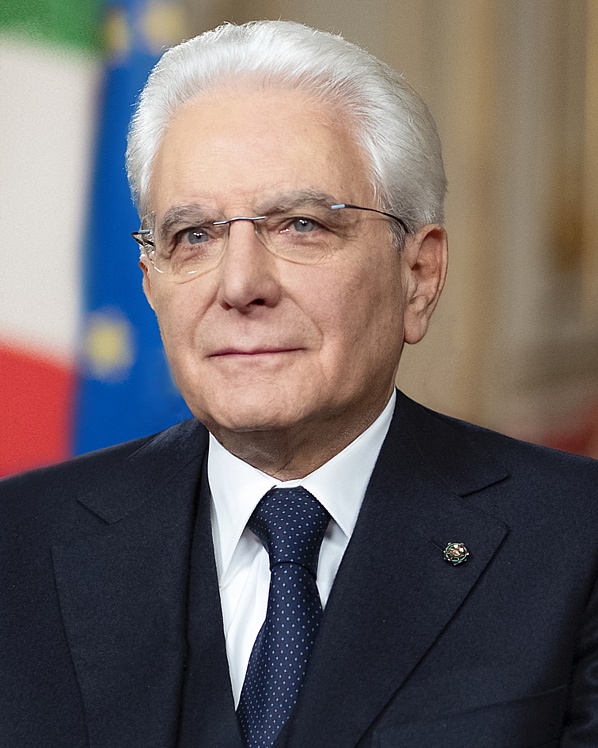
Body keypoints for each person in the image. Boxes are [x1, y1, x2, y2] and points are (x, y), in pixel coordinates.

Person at [1, 20, 597, 748]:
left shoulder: (578, 540)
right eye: (194, 236)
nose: (239, 285)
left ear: (418, 275)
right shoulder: (15, 549)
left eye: (301, 226)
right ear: (151, 284)